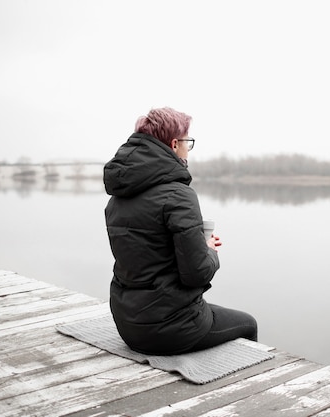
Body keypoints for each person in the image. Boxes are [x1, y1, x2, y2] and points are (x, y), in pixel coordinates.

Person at [103, 106, 258, 355]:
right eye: (188, 141)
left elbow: (150, 256)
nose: (189, 148)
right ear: (174, 144)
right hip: (171, 328)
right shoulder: (179, 194)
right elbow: (197, 274)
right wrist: (209, 251)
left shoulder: (118, 196)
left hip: (127, 323)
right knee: (248, 324)